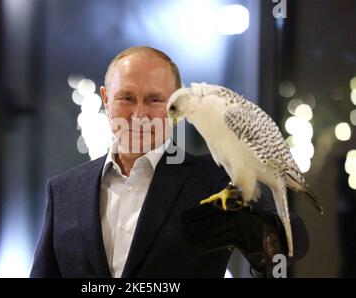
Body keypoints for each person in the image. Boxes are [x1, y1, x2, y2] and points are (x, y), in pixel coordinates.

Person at [30, 46, 309, 278]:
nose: (139, 114)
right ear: (106, 99)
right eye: (126, 98)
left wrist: (255, 234)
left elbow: (294, 243)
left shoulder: (214, 179)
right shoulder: (63, 191)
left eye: (154, 100)